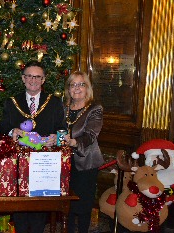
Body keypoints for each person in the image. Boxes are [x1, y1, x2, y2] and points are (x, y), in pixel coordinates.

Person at [0, 60, 66, 233]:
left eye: (37, 76)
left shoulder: (55, 102)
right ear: (23, 78)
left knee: (39, 209)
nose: (33, 80)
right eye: (29, 76)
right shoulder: (11, 102)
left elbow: (63, 130)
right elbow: (2, 128)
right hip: (18, 163)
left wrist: (55, 138)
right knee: (20, 209)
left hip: (44, 163)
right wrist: (12, 131)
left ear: (43, 80)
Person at [63, 71, 104, 233]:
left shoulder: (95, 108)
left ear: (87, 88)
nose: (77, 88)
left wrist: (74, 142)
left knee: (84, 204)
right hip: (65, 162)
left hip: (86, 162)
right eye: (73, 85)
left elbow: (91, 135)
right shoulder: (64, 107)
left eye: (81, 84)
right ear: (68, 89)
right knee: (68, 203)